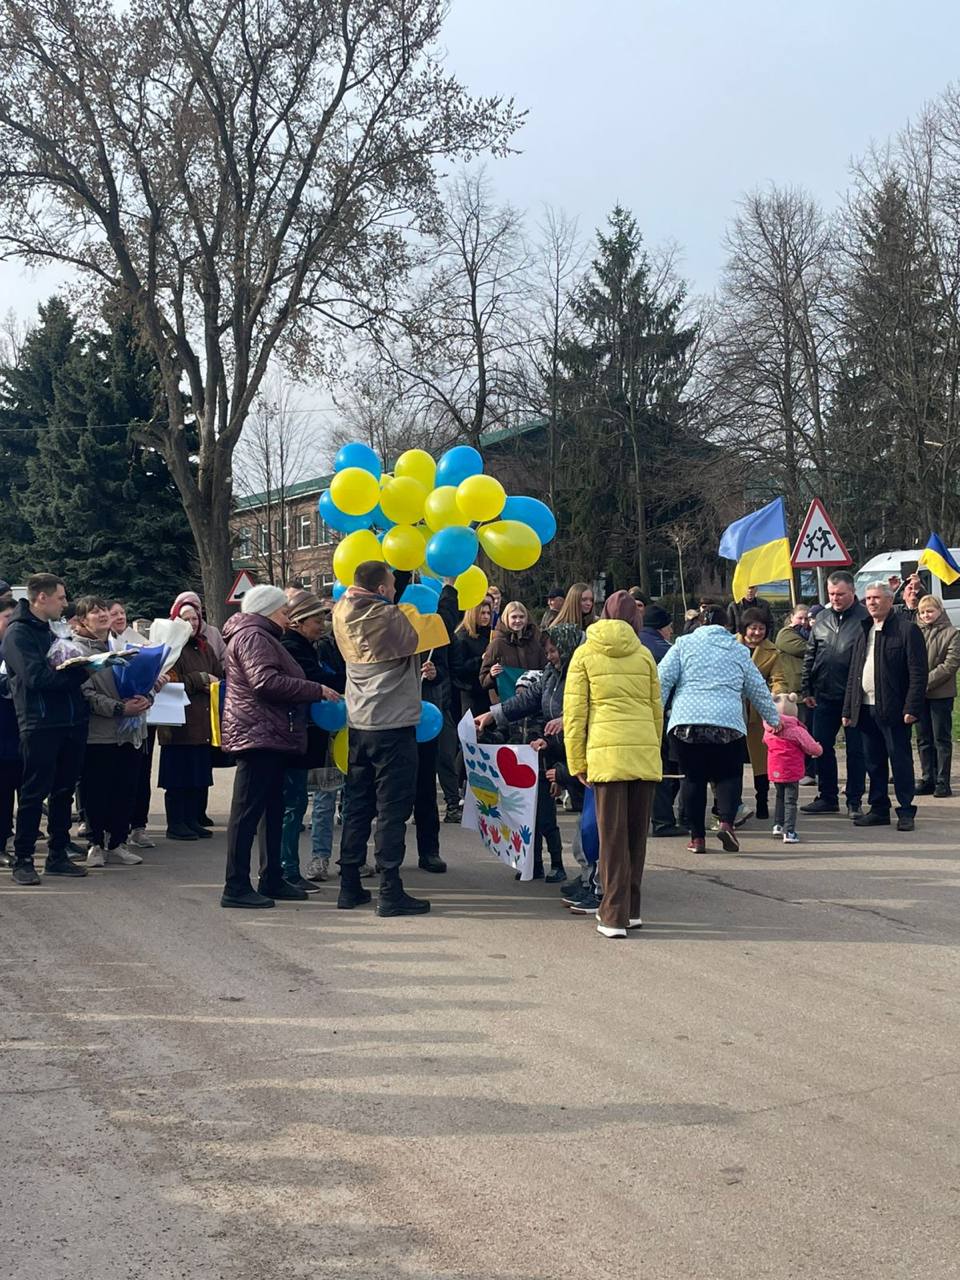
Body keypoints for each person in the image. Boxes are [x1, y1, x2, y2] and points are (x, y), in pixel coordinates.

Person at [220, 585, 339, 909]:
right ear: (269, 610)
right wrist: (315, 689)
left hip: (269, 733)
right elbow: (265, 682)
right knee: (247, 813)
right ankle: (236, 885)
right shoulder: (253, 636)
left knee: (271, 810)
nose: (288, 617)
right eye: (284, 611)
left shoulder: (260, 635)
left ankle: (271, 877)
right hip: (257, 735)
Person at [332, 560, 433, 917]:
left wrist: (399, 572)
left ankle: (349, 884)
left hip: (360, 723)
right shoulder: (389, 619)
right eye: (390, 586)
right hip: (392, 724)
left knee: (358, 805)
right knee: (392, 808)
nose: (394, 591)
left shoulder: (341, 610)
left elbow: (385, 598)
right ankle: (390, 889)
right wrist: (448, 589)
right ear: (379, 590)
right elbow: (429, 632)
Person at [564, 590, 663, 938]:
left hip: (605, 756)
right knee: (637, 836)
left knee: (612, 839)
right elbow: (656, 710)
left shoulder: (584, 653)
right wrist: (653, 750)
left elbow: (575, 715)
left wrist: (576, 760)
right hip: (643, 754)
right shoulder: (645, 655)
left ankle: (613, 914)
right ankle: (633, 910)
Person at [658, 604, 781, 855]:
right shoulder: (737, 650)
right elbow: (756, 688)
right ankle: (726, 822)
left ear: (701, 623)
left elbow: (662, 680)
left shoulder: (683, 645)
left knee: (693, 779)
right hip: (728, 724)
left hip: (687, 722)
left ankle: (697, 838)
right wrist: (774, 720)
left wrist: (655, 716)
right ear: (727, 626)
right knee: (728, 776)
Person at [476, 623, 584, 883]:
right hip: (555, 751)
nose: (550, 656)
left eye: (554, 651)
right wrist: (493, 715)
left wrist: (564, 721)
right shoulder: (551, 673)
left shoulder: (580, 674)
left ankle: (585, 876)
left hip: (576, 752)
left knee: (575, 821)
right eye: (547, 651)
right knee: (538, 818)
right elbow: (525, 701)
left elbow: (588, 709)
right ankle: (539, 865)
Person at [1, 574, 92, 885]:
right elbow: (35, 678)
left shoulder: (54, 629)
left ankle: (57, 854)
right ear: (41, 597)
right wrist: (79, 675)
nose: (65, 604)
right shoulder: (18, 633)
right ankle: (24, 858)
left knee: (64, 791)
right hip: (39, 723)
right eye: (61, 598)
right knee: (33, 793)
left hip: (70, 720)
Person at [71, 596, 150, 867]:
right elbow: (86, 694)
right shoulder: (76, 651)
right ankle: (95, 844)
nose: (102, 615)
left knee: (125, 789)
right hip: (99, 733)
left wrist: (146, 697)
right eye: (94, 612)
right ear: (82, 620)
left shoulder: (124, 645)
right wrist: (118, 708)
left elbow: (144, 677)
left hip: (129, 733)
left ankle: (118, 842)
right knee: (96, 791)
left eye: (104, 610)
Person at [842, 581, 926, 830]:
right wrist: (848, 709)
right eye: (868, 599)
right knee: (873, 761)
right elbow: (854, 673)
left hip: (895, 709)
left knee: (899, 760)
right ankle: (878, 808)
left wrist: (912, 707)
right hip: (866, 707)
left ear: (890, 600)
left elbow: (918, 673)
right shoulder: (863, 630)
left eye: (877, 598)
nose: (871, 603)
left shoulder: (906, 630)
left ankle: (906, 811)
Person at [276, 591, 333, 893]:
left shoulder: (309, 646)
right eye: (317, 619)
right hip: (296, 734)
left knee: (298, 801)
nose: (322, 624)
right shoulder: (292, 648)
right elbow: (313, 680)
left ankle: (288, 867)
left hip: (310, 733)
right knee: (293, 802)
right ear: (298, 621)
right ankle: (287, 869)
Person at [800, 571, 867, 818]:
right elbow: (811, 654)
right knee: (820, 746)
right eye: (831, 594)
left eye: (840, 594)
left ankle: (854, 800)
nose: (835, 598)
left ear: (852, 592)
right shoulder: (824, 618)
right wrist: (806, 687)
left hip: (854, 697)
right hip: (823, 694)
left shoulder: (864, 618)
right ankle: (827, 796)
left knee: (856, 749)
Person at [157, 597, 223, 841]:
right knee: (178, 776)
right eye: (186, 619)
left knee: (198, 773)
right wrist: (201, 679)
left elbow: (219, 672)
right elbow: (171, 681)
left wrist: (213, 681)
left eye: (195, 618)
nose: (192, 623)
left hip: (202, 719)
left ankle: (193, 818)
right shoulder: (172, 646)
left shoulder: (204, 645)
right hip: (178, 721)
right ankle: (176, 822)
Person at [412, 575, 460, 871]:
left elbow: (444, 671)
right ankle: (384, 855)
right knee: (390, 793)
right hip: (392, 720)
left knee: (426, 788)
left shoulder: (433, 635)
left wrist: (434, 674)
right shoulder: (390, 629)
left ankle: (429, 851)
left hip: (425, 719)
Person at [737, 607, 787, 821]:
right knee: (732, 759)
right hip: (732, 709)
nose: (757, 633)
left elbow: (779, 680)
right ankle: (733, 803)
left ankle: (762, 800)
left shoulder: (773, 652)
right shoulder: (730, 645)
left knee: (761, 760)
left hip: (757, 711)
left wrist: (776, 697)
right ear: (744, 628)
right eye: (753, 628)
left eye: (761, 628)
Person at [915, 595, 960, 797]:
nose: (926, 615)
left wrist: (924, 681)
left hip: (941, 694)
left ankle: (943, 781)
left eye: (930, 611)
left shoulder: (952, 634)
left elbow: (950, 665)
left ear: (940, 611)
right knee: (923, 738)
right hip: (918, 694)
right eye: (923, 612)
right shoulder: (915, 632)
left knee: (940, 739)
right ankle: (927, 778)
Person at [763, 694, 823, 843]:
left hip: (775, 769)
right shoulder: (796, 730)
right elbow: (812, 748)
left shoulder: (768, 729)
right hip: (792, 771)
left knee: (779, 797)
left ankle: (777, 825)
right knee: (790, 801)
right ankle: (789, 831)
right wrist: (819, 748)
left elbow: (764, 742)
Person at [479, 602, 547, 702]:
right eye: (514, 617)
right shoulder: (497, 644)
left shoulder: (536, 642)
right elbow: (483, 680)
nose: (518, 620)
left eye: (521, 617)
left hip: (534, 700)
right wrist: (491, 675)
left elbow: (545, 670)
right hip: (507, 702)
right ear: (506, 618)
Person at [0, 593, 21, 865]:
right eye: (7, 618)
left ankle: (8, 837)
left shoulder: (16, 647)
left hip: (18, 730)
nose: (11, 623)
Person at [451, 599, 493, 717]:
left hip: (485, 690)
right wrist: (481, 659)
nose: (486, 617)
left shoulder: (489, 634)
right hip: (468, 692)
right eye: (482, 613)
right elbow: (458, 668)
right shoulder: (462, 638)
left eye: (488, 613)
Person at [171, 590, 227, 666]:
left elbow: (225, 660)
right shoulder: (171, 639)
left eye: (197, 607)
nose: (191, 623)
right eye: (186, 619)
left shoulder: (213, 633)